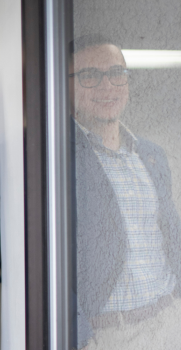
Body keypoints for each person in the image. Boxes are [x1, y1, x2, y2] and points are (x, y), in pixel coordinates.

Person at [71, 34, 181, 349]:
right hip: (109, 334)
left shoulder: (151, 153)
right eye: (90, 76)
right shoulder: (56, 159)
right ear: (66, 87)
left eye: (117, 73)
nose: (108, 86)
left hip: (169, 321)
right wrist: (79, 335)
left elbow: (169, 232)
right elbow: (45, 256)